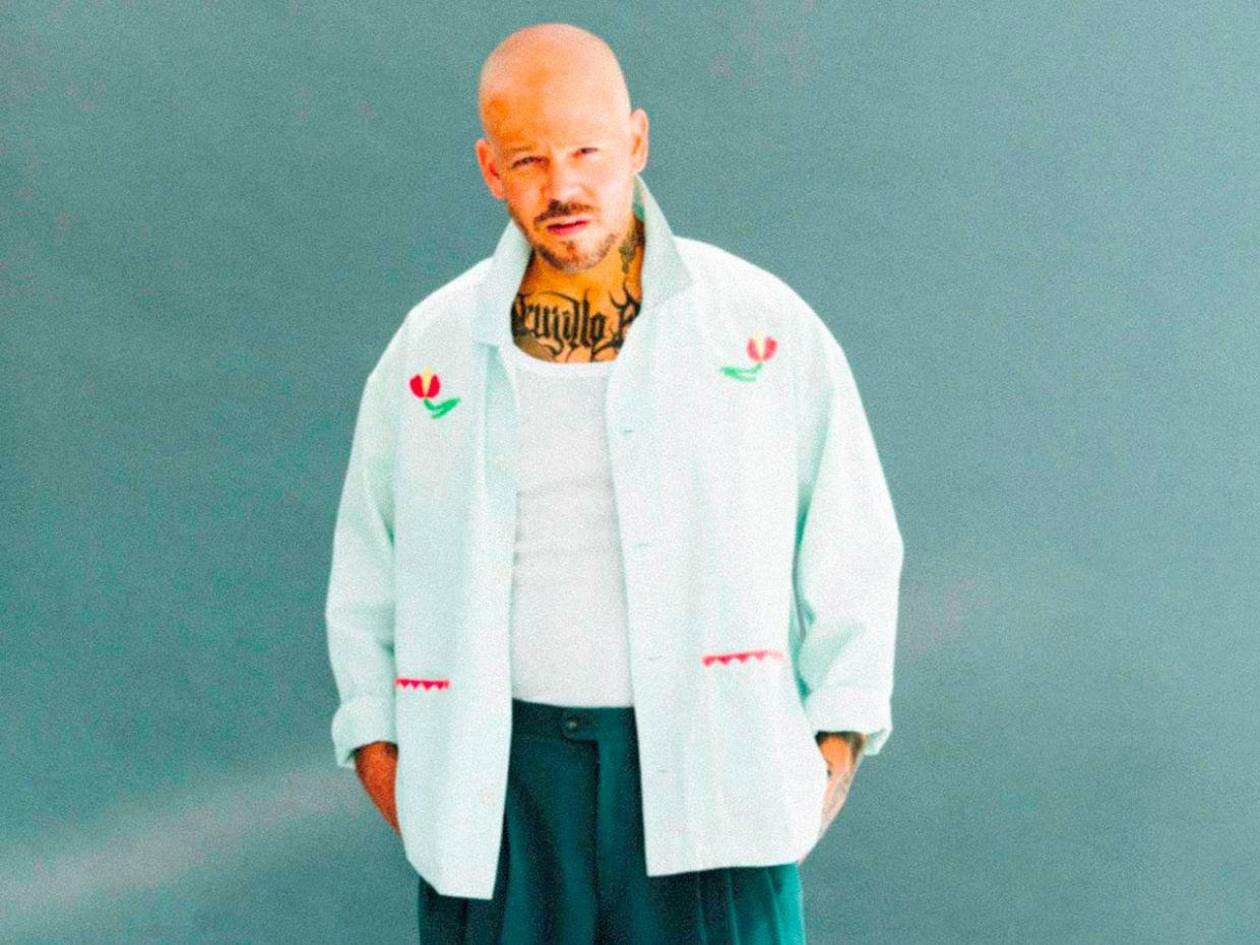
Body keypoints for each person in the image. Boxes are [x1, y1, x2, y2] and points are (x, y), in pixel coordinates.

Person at [325, 21, 904, 945]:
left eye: (586, 151)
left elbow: (856, 551)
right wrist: (399, 777)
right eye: (529, 160)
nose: (561, 186)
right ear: (490, 169)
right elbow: (365, 578)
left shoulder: (759, 325)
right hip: (502, 796)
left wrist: (821, 766)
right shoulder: (429, 349)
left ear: (637, 141)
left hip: (719, 786)